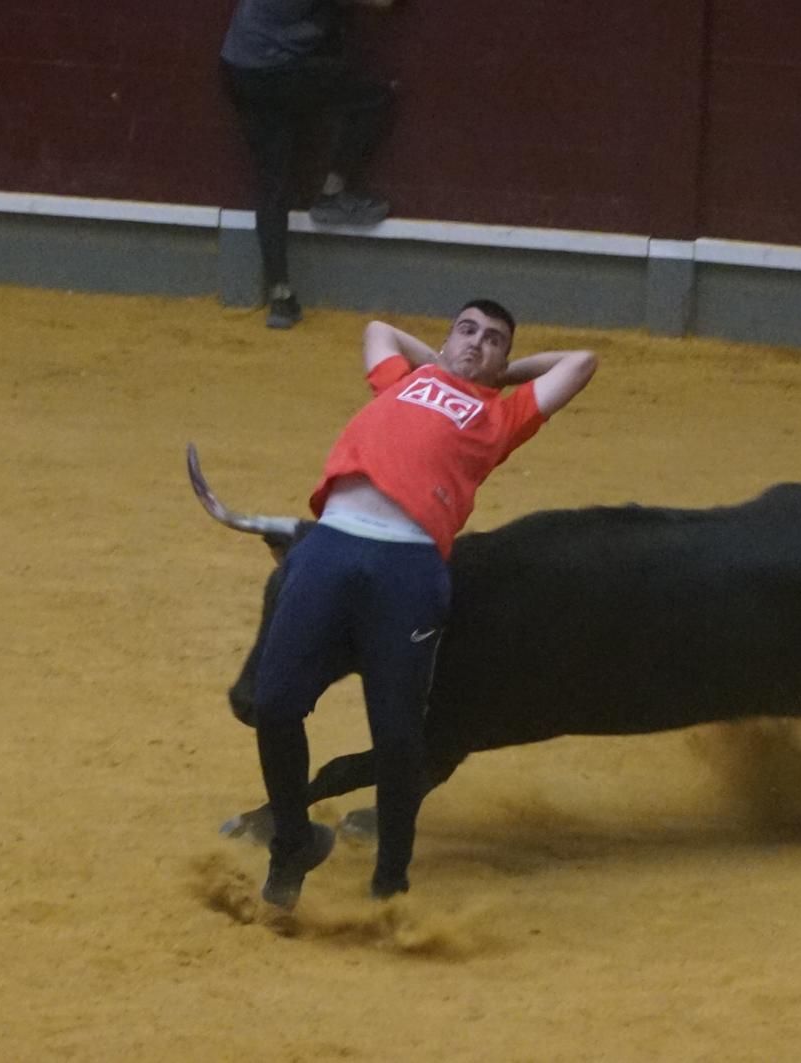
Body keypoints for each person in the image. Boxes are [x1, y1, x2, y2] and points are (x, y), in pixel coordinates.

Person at [253, 300, 598, 908]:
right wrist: (444, 361)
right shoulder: (407, 380)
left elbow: (582, 361)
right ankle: (293, 842)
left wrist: (499, 374)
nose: (477, 342)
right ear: (446, 339)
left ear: (506, 359)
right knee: (274, 703)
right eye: (467, 330)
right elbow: (377, 329)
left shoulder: (504, 413)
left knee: (397, 734)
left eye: (494, 339)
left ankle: (391, 881)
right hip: (331, 542)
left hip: (409, 565)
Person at [219, 0, 398, 330]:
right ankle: (333, 191)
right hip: (280, 72)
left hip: (240, 67)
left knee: (271, 180)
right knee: (375, 99)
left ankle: (280, 295)